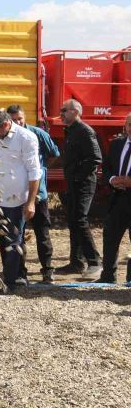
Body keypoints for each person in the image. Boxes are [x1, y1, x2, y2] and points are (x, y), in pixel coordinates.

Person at [0, 109, 42, 290]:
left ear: (6, 125)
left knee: (13, 242)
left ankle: (11, 281)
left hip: (17, 200)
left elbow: (34, 172)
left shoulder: (26, 138)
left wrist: (30, 202)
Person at [6, 104, 60, 283]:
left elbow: (54, 153)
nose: (18, 122)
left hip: (38, 194)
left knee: (42, 232)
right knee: (18, 234)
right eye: (14, 120)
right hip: (16, 195)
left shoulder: (37, 134)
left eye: (20, 118)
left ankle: (47, 269)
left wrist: (40, 171)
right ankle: (21, 273)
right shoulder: (6, 138)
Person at [56, 99, 103, 279]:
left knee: (80, 219)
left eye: (64, 111)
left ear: (75, 112)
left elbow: (95, 158)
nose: (61, 114)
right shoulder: (70, 131)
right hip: (73, 183)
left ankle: (94, 262)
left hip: (83, 183)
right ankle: (76, 263)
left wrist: (77, 176)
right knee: (73, 220)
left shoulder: (85, 131)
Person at [97, 113, 131, 284]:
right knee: (110, 238)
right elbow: (107, 166)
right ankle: (108, 276)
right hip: (117, 199)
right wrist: (112, 180)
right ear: (125, 126)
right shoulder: (117, 144)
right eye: (129, 124)